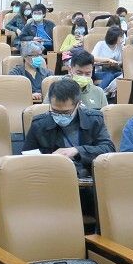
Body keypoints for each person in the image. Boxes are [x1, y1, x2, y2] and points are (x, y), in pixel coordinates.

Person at [23, 78, 114, 212]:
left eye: (66, 112)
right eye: (55, 111)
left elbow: (108, 149)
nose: (59, 115)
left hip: (88, 184)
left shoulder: (94, 120)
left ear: (79, 104)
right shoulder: (39, 124)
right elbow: (26, 158)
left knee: (106, 204)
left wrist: (77, 150)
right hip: (53, 184)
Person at [91, 26, 124, 91]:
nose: (122, 39)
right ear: (114, 37)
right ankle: (98, 92)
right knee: (109, 76)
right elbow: (92, 58)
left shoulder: (121, 46)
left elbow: (122, 61)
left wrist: (116, 63)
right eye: (120, 37)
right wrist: (108, 60)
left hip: (114, 71)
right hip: (99, 71)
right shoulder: (100, 44)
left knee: (123, 75)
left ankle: (109, 93)